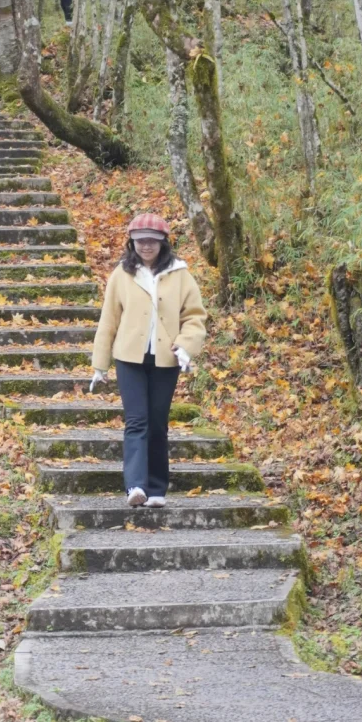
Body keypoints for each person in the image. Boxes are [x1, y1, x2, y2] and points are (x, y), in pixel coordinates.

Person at [90, 212, 207, 508]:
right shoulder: (122, 274)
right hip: (129, 358)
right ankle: (135, 487)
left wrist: (185, 346)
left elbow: (194, 317)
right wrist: (100, 364)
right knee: (137, 421)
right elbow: (109, 320)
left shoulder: (180, 274)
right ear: (132, 242)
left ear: (163, 243)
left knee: (157, 423)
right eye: (140, 241)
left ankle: (156, 489)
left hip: (166, 359)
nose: (146, 246)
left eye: (152, 241)